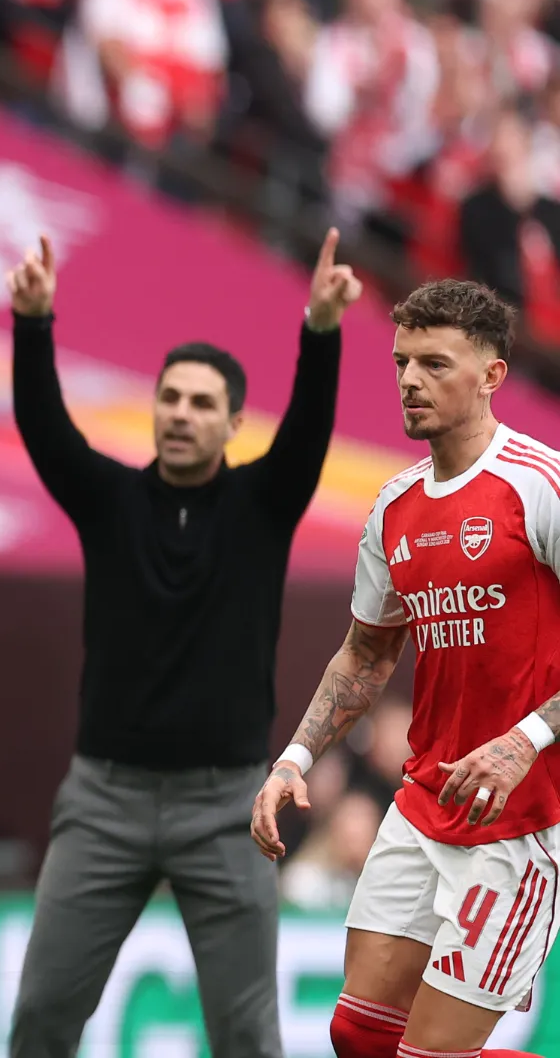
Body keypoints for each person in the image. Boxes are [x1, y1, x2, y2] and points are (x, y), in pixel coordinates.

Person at [4, 231, 356, 1057]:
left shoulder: (263, 506)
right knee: (42, 1018)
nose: (180, 415)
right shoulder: (110, 500)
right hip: (104, 803)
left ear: (234, 422)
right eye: (170, 398)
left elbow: (306, 434)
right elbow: (46, 430)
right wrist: (32, 323)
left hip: (227, 807)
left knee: (245, 1034)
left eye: (202, 404)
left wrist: (321, 328)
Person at [254, 279, 556, 1058]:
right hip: (423, 804)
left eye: (433, 362)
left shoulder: (539, 483)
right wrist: (296, 756)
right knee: (356, 1036)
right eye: (400, 362)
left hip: (521, 822)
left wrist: (527, 737)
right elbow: (366, 652)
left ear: (491, 375)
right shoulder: (394, 507)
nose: (410, 380)